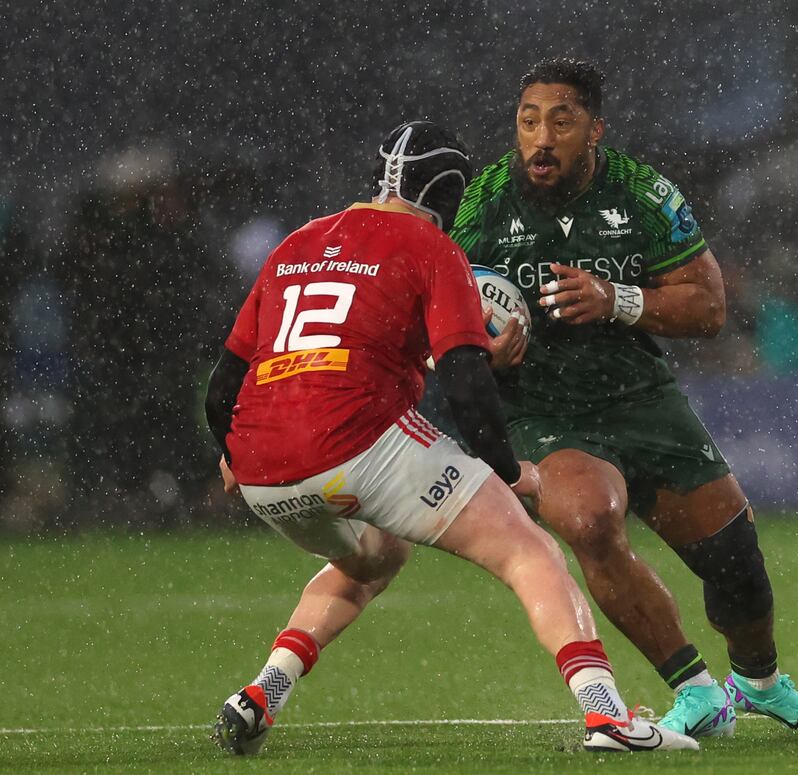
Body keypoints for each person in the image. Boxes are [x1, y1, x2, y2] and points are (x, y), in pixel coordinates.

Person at [204, 120, 698, 756]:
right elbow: (465, 382)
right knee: (529, 552)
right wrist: (506, 467)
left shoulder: (296, 244)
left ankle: (263, 692)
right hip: (357, 443)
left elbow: (224, 384)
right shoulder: (428, 245)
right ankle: (608, 718)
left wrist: (230, 452)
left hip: (263, 468)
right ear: (447, 193)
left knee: (375, 557)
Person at [448, 59, 798, 736]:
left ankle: (759, 683)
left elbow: (709, 306)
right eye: (527, 121)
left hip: (640, 396)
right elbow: (437, 312)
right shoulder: (483, 201)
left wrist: (616, 298)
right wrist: (478, 350)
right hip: (543, 409)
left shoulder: (642, 192)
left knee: (734, 559)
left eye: (561, 120)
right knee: (590, 520)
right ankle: (694, 688)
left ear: (595, 129)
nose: (540, 138)